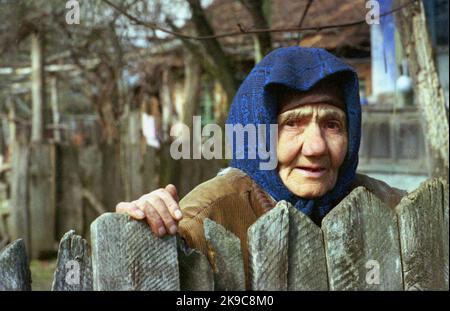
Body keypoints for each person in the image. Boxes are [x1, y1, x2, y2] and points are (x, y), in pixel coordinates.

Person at [115, 47, 406, 281]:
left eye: (332, 125)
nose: (316, 147)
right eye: (292, 124)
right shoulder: (206, 217)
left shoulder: (388, 207)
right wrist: (141, 231)